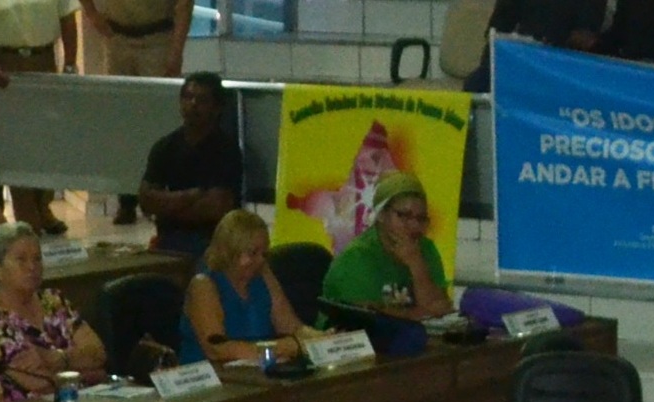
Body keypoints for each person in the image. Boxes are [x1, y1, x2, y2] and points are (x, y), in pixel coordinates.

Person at [0, 0, 76, 234]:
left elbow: (68, 16)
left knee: (44, 140)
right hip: (0, 63)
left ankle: (42, 208)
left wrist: (70, 63)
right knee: (4, 143)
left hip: (43, 61)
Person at [0, 221, 108, 402]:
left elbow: (98, 353)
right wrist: (90, 372)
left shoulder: (53, 300)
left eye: (37, 259)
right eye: (21, 259)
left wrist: (59, 360)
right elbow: (41, 385)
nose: (32, 267)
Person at [179, 209, 314, 367]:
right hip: (209, 382)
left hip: (255, 376)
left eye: (263, 253)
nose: (260, 261)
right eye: (252, 253)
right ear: (228, 252)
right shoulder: (203, 285)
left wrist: (321, 337)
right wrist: (287, 347)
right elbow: (217, 349)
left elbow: (293, 327)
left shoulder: (263, 275)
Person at [317, 173, 453, 321]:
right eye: (403, 215)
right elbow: (368, 316)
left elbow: (439, 308)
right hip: (347, 337)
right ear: (381, 214)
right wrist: (419, 314)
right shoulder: (357, 256)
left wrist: (416, 264)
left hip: (404, 335)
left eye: (421, 219)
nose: (414, 226)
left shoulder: (425, 248)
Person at [140, 72, 244, 258]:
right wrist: (192, 195)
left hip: (213, 244)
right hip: (168, 241)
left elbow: (217, 207)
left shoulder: (227, 150)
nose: (193, 104)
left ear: (217, 107)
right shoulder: (165, 147)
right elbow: (147, 201)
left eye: (202, 100)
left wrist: (167, 206)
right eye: (188, 97)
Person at [469, 0, 609, 84]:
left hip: (559, 67)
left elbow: (586, 39)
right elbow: (497, 30)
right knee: (478, 82)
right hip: (516, 60)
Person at [81, 0, 188, 78]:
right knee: (116, 101)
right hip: (117, 40)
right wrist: (91, 13)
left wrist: (176, 52)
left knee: (156, 101)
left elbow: (185, 4)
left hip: (157, 41)